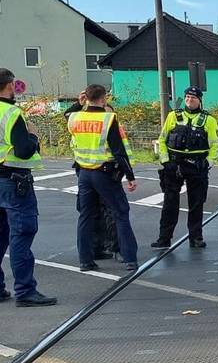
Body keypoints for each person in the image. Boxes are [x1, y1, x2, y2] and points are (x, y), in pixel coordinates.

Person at [0, 68, 55, 306]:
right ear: (11, 86)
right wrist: (33, 137)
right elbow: (23, 150)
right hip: (14, 181)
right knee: (21, 234)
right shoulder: (11, 113)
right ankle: (25, 290)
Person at [68, 84, 138, 271]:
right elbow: (118, 149)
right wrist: (129, 175)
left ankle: (85, 260)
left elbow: (67, 115)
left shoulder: (75, 117)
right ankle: (130, 258)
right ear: (104, 98)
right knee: (121, 213)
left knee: (86, 216)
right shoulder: (108, 118)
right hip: (104, 173)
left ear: (86, 97)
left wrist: (77, 104)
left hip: (83, 173)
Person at [152, 86, 218, 249]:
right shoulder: (173, 116)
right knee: (170, 203)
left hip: (197, 166)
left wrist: (208, 163)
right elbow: (162, 140)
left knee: (196, 203)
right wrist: (166, 161)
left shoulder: (209, 120)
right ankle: (164, 238)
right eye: (187, 97)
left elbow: (216, 145)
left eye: (193, 98)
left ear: (199, 100)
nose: (190, 100)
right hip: (174, 165)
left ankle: (196, 237)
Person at [64, 91, 118, 260]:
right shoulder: (81, 118)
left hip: (100, 172)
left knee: (106, 212)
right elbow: (68, 116)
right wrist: (79, 104)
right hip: (90, 171)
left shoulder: (108, 120)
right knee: (95, 212)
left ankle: (111, 246)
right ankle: (97, 248)